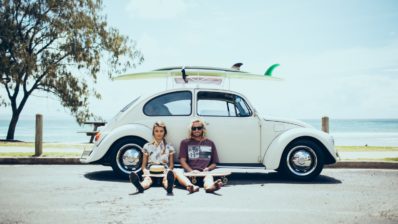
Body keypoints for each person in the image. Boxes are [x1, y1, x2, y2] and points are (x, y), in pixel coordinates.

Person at [175, 118, 223, 193]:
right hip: (189, 173)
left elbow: (214, 163)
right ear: (191, 129)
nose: (196, 130)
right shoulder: (185, 142)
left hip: (204, 172)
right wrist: (191, 171)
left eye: (199, 128)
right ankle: (191, 187)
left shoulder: (210, 143)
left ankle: (209, 187)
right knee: (177, 171)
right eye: (194, 128)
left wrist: (208, 169)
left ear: (203, 129)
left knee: (209, 176)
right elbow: (182, 161)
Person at [129, 121, 175, 194]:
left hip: (164, 169)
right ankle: (140, 187)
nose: (159, 133)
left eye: (161, 131)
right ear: (153, 132)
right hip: (151, 169)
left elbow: (171, 164)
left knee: (165, 180)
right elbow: (144, 165)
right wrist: (145, 171)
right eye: (156, 131)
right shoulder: (147, 146)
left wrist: (169, 170)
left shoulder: (169, 147)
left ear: (164, 133)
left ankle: (169, 187)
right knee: (147, 180)